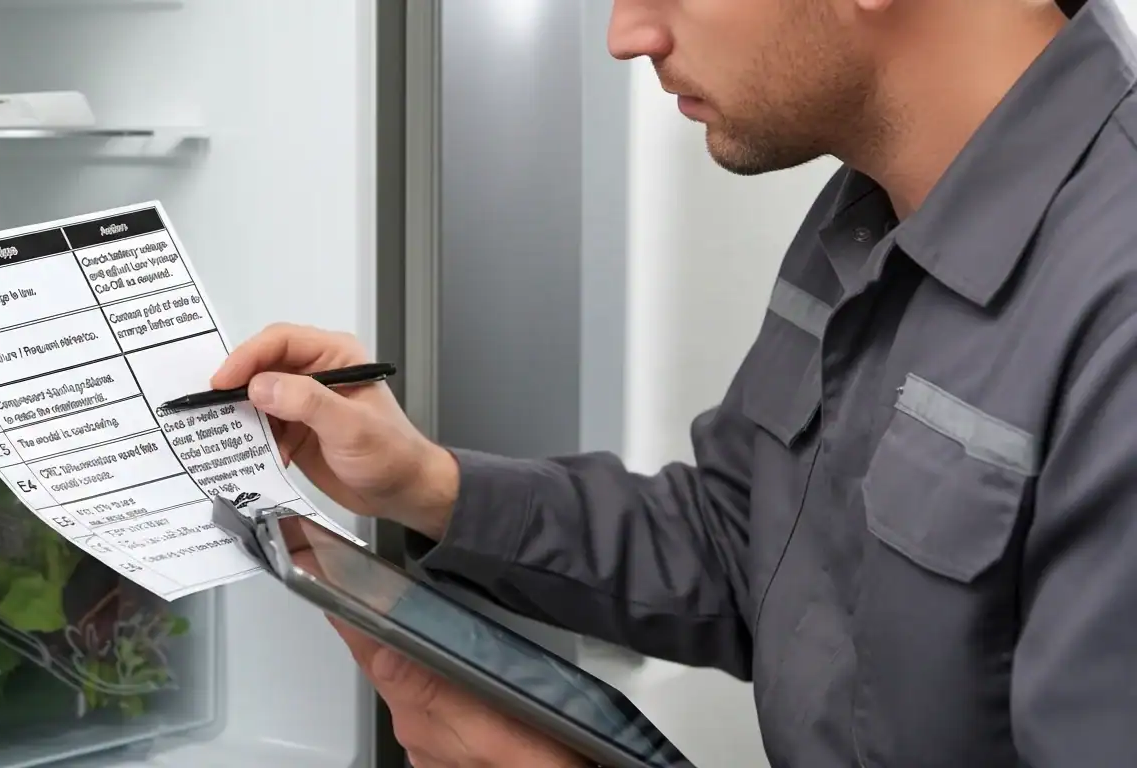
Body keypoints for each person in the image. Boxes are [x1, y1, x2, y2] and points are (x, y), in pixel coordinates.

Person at [213, 0, 1137, 764]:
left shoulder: (1115, 310)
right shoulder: (872, 205)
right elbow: (753, 546)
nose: (627, 34)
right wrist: (428, 487)